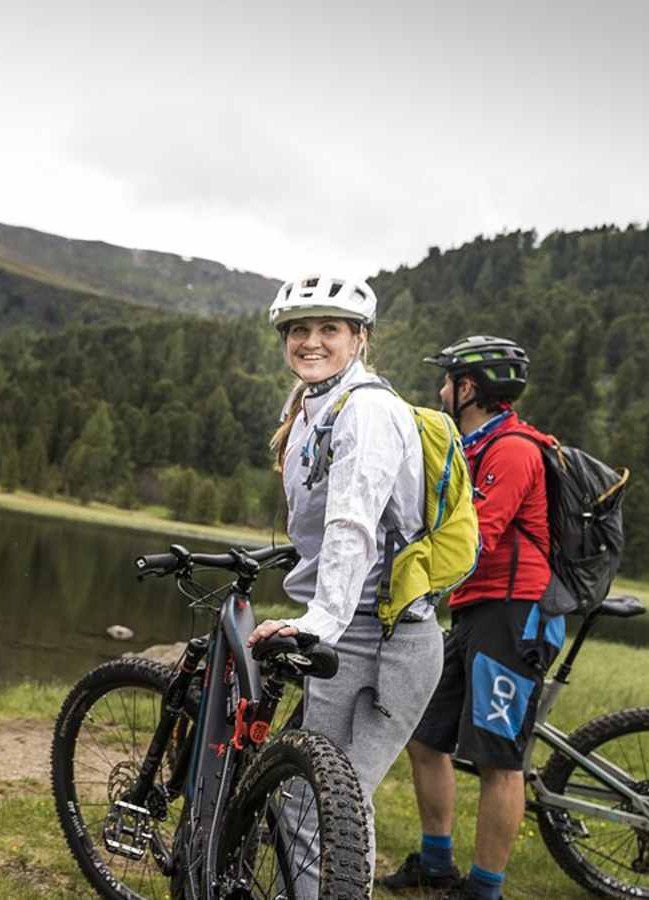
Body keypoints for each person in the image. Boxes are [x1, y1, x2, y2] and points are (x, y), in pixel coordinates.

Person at [249, 275, 445, 898]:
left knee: (329, 802)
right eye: (298, 330)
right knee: (310, 795)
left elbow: (352, 523)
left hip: (389, 640)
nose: (311, 341)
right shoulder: (310, 408)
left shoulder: (367, 410)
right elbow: (318, 525)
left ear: (360, 337)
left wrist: (317, 624)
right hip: (352, 631)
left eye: (329, 329)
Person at [378, 335, 558, 900]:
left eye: (447, 380)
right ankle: (436, 865)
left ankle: (484, 890)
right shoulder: (475, 444)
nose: (440, 390)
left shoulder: (513, 451)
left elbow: (476, 535)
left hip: (515, 615)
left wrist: (408, 575)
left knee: (499, 760)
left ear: (469, 388)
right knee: (427, 737)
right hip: (477, 612)